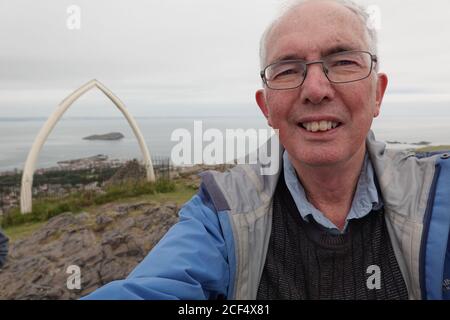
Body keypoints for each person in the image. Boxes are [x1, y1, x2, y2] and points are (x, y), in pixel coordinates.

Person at [83, 0, 450, 300]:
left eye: (342, 62)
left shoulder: (439, 198)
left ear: (377, 94)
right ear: (267, 108)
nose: (316, 89)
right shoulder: (222, 215)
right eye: (288, 70)